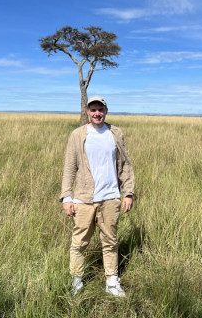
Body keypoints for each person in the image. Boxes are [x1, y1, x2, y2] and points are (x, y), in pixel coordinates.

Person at [60, 95, 135, 297]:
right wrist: (66, 197)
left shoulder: (115, 133)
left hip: (110, 197)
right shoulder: (77, 135)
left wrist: (128, 193)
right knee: (79, 242)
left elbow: (125, 165)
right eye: (93, 110)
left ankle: (112, 281)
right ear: (87, 112)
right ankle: (76, 280)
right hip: (83, 198)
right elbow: (69, 167)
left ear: (106, 111)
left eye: (100, 109)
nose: (97, 113)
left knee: (110, 241)